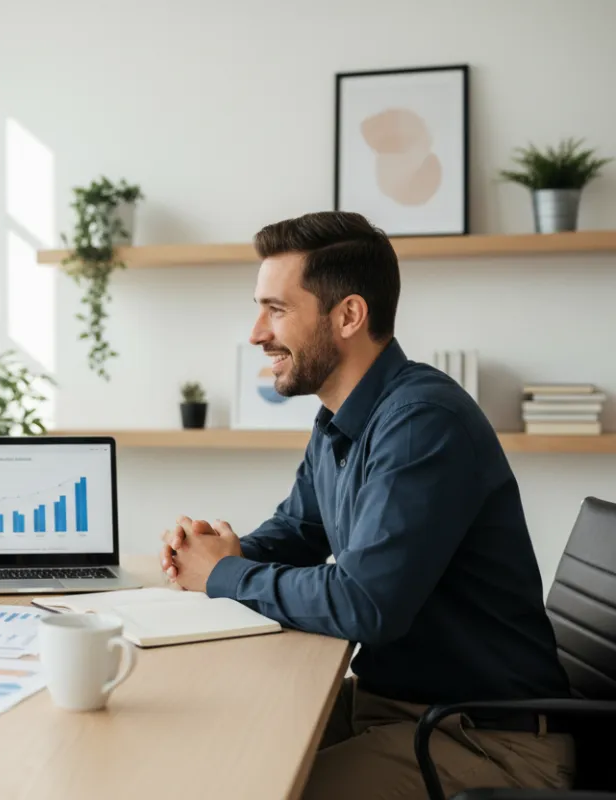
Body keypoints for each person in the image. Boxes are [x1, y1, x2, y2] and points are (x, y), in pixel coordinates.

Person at [159, 212, 574, 798]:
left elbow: (364, 604)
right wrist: (216, 553)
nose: (256, 332)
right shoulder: (339, 416)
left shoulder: (422, 423)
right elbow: (301, 528)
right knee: (214, 748)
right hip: (403, 712)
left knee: (259, 785)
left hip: (484, 744)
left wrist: (226, 574)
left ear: (348, 315)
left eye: (276, 309)